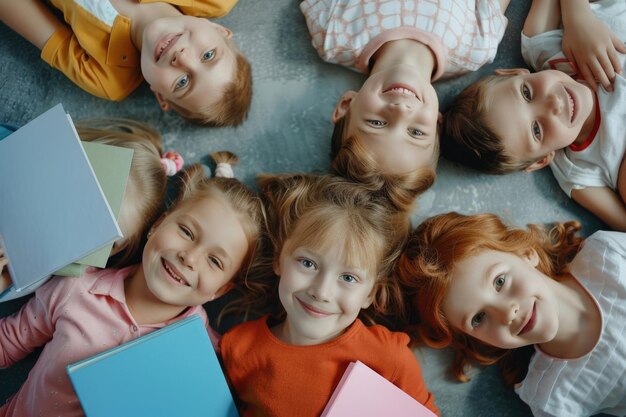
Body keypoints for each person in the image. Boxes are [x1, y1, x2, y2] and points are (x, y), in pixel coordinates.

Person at [0, 152, 264, 417]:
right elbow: (7, 344)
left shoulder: (208, 361)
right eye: (186, 232)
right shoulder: (75, 289)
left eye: (215, 261)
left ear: (220, 290)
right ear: (158, 225)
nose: (190, 257)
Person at [220, 174, 439, 417]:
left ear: (370, 294)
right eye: (307, 263)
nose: (321, 292)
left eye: (348, 278)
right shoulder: (238, 348)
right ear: (279, 260)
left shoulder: (390, 358)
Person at [397, 211, 626, 417]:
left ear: (526, 253)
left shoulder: (610, 257)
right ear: (475, 338)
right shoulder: (551, 399)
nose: (507, 313)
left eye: (500, 281)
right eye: (479, 318)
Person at [300, 0, 510, 212]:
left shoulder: (333, 34)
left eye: (376, 122)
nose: (401, 110)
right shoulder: (476, 48)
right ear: (437, 124)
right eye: (416, 132)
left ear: (346, 105)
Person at [441, 0, 626, 230]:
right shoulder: (578, 172)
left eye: (527, 92)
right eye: (536, 130)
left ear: (516, 73)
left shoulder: (544, 46)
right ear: (542, 159)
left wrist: (578, 18)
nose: (553, 104)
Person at [0, 119, 176, 301]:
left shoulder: (31, 276)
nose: (77, 238)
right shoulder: (13, 148)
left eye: (108, 242)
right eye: (84, 212)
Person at [0, 0, 252, 126]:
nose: (182, 58)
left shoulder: (106, 78)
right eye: (208, 55)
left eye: (183, 82)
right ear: (219, 30)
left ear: (160, 96)